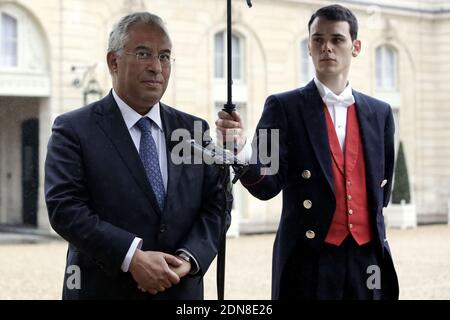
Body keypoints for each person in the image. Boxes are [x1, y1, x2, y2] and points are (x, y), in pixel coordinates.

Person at [217, 4, 399, 300]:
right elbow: (267, 184)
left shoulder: (380, 113)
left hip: (368, 260)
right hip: (311, 259)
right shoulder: (283, 107)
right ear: (309, 47)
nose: (326, 47)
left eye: (337, 39)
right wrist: (240, 148)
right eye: (318, 39)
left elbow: (382, 192)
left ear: (356, 47)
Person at [45, 12, 227, 300]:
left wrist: (188, 260)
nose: (157, 67)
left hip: (181, 292)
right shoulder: (73, 129)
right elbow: (65, 209)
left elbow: (217, 206)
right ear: (113, 62)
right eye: (144, 54)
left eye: (165, 56)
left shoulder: (194, 130)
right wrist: (132, 258)